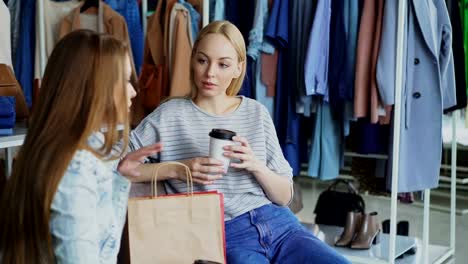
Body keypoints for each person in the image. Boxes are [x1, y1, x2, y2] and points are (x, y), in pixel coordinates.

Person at [129, 21, 350, 264]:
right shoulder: (170, 114)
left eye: (223, 64)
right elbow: (120, 164)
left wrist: (256, 166)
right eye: (203, 60)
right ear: (192, 60)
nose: (210, 72)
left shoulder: (256, 112)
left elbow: (284, 196)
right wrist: (179, 169)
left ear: (238, 68)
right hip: (223, 233)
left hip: (281, 226)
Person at [0, 30, 161, 264]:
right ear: (96, 88)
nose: (134, 91)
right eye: (125, 80)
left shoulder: (60, 146)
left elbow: (101, 243)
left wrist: (120, 178)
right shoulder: (77, 166)